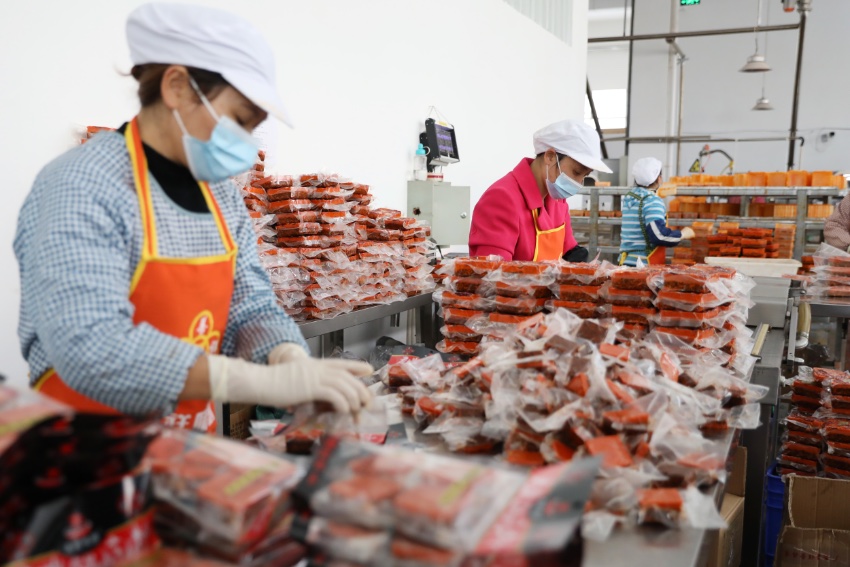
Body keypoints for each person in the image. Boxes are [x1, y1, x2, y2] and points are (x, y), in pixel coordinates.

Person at [13, 3, 372, 432]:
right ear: (177, 87)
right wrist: (247, 380)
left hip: (184, 450)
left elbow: (249, 304)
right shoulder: (83, 185)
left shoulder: (219, 195)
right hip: (83, 455)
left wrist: (284, 354)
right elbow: (92, 345)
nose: (243, 140)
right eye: (238, 119)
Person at [468, 120, 612, 262]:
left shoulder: (557, 200)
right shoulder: (501, 199)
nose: (578, 183)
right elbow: (490, 276)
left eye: (584, 176)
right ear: (550, 157)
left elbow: (568, 249)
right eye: (576, 172)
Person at [619, 157, 694, 266]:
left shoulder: (631, 197)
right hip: (643, 266)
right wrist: (682, 234)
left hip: (626, 262)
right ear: (659, 178)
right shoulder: (652, 201)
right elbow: (659, 236)